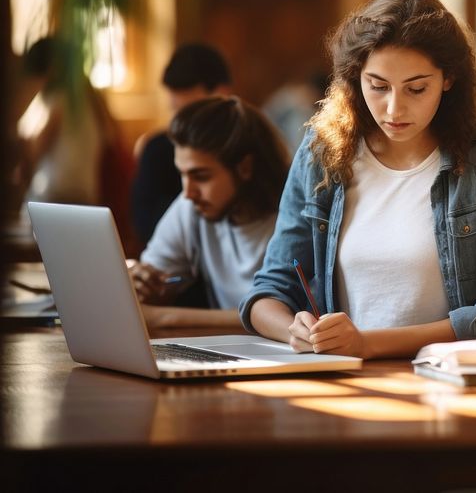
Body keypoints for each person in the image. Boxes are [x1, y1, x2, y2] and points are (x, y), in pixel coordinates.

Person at [240, 0, 476, 359]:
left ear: (448, 78)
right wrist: (297, 331)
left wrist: (369, 344)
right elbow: (270, 289)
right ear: (356, 78)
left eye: (417, 88)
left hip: (449, 381)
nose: (394, 108)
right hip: (341, 377)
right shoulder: (322, 152)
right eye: (378, 86)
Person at [130, 96, 289, 328]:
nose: (188, 192)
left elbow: (291, 318)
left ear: (244, 167)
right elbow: (150, 291)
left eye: (201, 177)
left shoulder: (294, 216)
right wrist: (142, 286)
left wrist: (164, 317)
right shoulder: (193, 207)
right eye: (182, 174)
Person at [15, 36, 133, 232]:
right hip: (87, 196)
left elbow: (34, 149)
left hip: (52, 196)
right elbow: (113, 139)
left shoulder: (55, 100)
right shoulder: (95, 100)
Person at [130, 43, 232, 246]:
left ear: (221, 94)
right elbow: (144, 223)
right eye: (176, 111)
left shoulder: (244, 145)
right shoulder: (157, 149)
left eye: (190, 112)